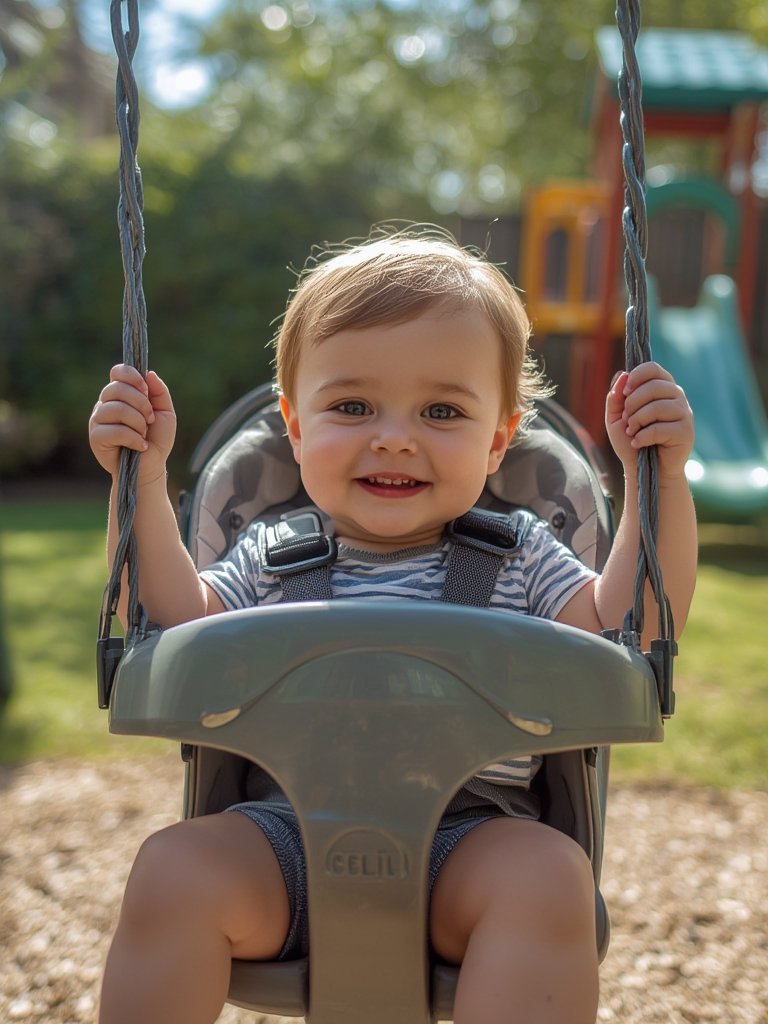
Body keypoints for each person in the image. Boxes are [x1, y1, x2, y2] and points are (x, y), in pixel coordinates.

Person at [89, 226, 697, 1024]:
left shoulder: (521, 556)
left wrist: (658, 481)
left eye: (442, 409)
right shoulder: (270, 556)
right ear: (295, 428)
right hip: (284, 841)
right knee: (172, 870)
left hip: (471, 845)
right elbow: (168, 622)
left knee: (551, 877)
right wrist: (139, 478)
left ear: (498, 441)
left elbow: (630, 629)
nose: (395, 436)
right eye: (352, 406)